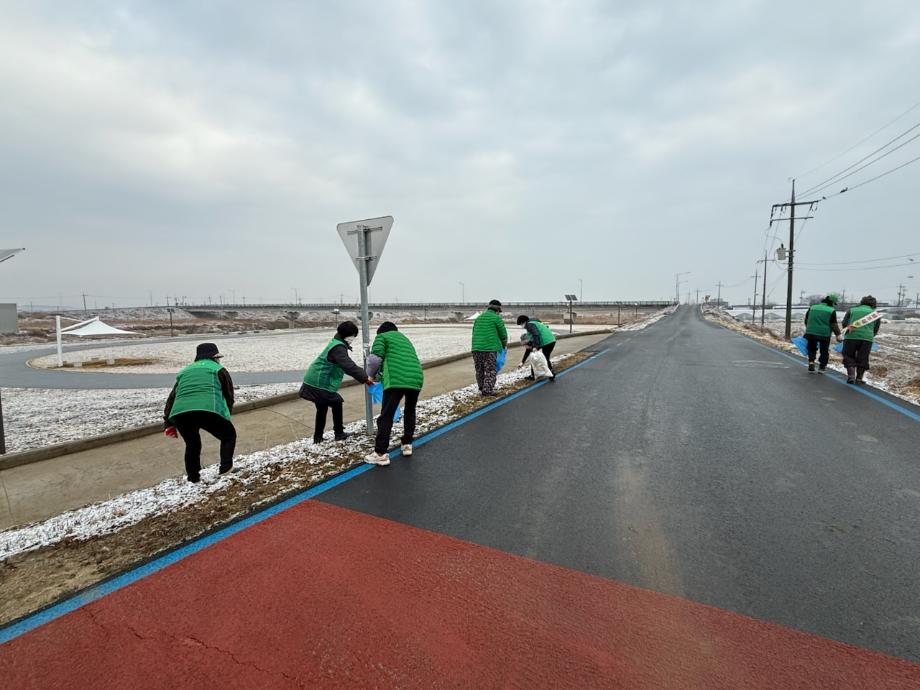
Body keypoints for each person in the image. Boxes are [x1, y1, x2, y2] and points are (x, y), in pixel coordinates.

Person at [164, 342, 236, 484]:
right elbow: (229, 396)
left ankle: (193, 478)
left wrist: (168, 423)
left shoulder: (185, 371)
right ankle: (225, 468)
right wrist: (226, 416)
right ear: (214, 357)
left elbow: (171, 398)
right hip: (206, 409)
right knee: (228, 435)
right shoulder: (218, 369)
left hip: (180, 413)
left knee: (192, 444)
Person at [300, 321, 373, 443]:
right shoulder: (338, 347)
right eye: (353, 335)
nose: (353, 338)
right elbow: (348, 366)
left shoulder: (337, 343)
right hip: (319, 383)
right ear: (347, 335)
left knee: (322, 407)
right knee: (336, 402)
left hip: (313, 381)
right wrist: (365, 377)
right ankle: (338, 433)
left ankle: (318, 437)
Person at [363, 322, 424, 466]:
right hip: (416, 378)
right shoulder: (404, 339)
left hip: (396, 380)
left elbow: (374, 359)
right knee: (410, 410)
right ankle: (407, 444)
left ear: (381, 332)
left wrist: (369, 376)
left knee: (386, 416)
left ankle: (380, 453)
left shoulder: (382, 337)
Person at [841, 295, 881, 385]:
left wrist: (847, 331)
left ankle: (851, 376)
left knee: (848, 355)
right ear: (873, 304)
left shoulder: (852, 310)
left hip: (851, 337)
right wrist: (870, 335)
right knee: (863, 357)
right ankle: (859, 378)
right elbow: (876, 328)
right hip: (867, 338)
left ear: (862, 302)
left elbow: (844, 323)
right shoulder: (875, 314)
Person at [471, 299, 508, 396]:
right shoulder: (496, 318)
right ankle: (487, 390)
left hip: (476, 348)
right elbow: (503, 335)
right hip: (490, 349)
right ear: (497, 310)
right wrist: (504, 346)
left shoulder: (479, 318)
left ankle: (481, 387)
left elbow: (474, 332)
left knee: (479, 369)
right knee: (490, 369)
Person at [803, 294, 842, 373]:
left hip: (811, 332)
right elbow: (833, 324)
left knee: (811, 348)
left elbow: (806, 319)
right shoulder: (831, 310)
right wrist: (838, 334)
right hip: (824, 334)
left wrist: (809, 328)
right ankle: (822, 367)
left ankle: (811, 362)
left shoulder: (812, 307)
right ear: (831, 302)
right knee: (824, 350)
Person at [516, 314, 557, 381]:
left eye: (521, 324)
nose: (521, 326)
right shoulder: (534, 323)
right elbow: (528, 350)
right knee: (543, 357)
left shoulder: (529, 325)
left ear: (524, 322)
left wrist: (535, 346)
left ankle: (549, 374)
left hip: (547, 341)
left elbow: (536, 334)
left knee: (538, 357)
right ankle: (549, 373)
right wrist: (522, 362)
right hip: (551, 340)